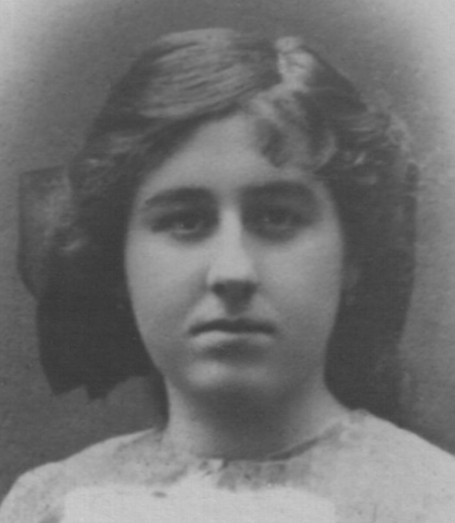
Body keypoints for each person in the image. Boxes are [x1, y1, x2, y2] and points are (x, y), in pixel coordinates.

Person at [2, 27, 455, 522]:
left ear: (353, 257)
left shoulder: (431, 502)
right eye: (185, 222)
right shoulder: (50, 506)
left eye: (277, 218)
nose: (233, 271)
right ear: (117, 262)